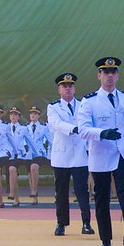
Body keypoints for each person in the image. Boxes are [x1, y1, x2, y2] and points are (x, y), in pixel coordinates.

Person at [77, 57, 124, 246]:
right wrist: (101, 133)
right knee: (102, 198)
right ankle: (106, 241)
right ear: (99, 76)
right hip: (101, 153)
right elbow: (83, 130)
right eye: (105, 72)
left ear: (118, 75)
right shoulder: (89, 101)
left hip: (122, 151)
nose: (109, 76)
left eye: (113, 72)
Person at [46, 73, 93, 236]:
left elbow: (87, 123)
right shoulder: (53, 107)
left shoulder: (83, 105)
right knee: (61, 192)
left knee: (82, 191)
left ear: (74, 88)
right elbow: (56, 124)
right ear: (59, 90)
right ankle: (61, 223)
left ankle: (86, 222)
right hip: (62, 156)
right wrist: (73, 128)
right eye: (64, 86)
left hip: (80, 154)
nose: (67, 89)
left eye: (70, 86)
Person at [24, 105, 51, 206]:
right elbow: (22, 140)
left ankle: (34, 190)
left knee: (34, 168)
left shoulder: (43, 127)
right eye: (31, 113)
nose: (33, 115)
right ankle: (34, 197)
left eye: (35, 113)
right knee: (30, 174)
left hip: (39, 153)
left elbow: (49, 140)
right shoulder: (25, 127)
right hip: (28, 153)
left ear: (39, 115)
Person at [6, 106, 26, 207]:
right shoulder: (5, 128)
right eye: (11, 114)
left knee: (12, 169)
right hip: (8, 155)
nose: (13, 116)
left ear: (19, 117)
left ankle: (11, 192)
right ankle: (16, 200)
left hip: (19, 154)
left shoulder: (23, 128)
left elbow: (28, 140)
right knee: (12, 175)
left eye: (15, 115)